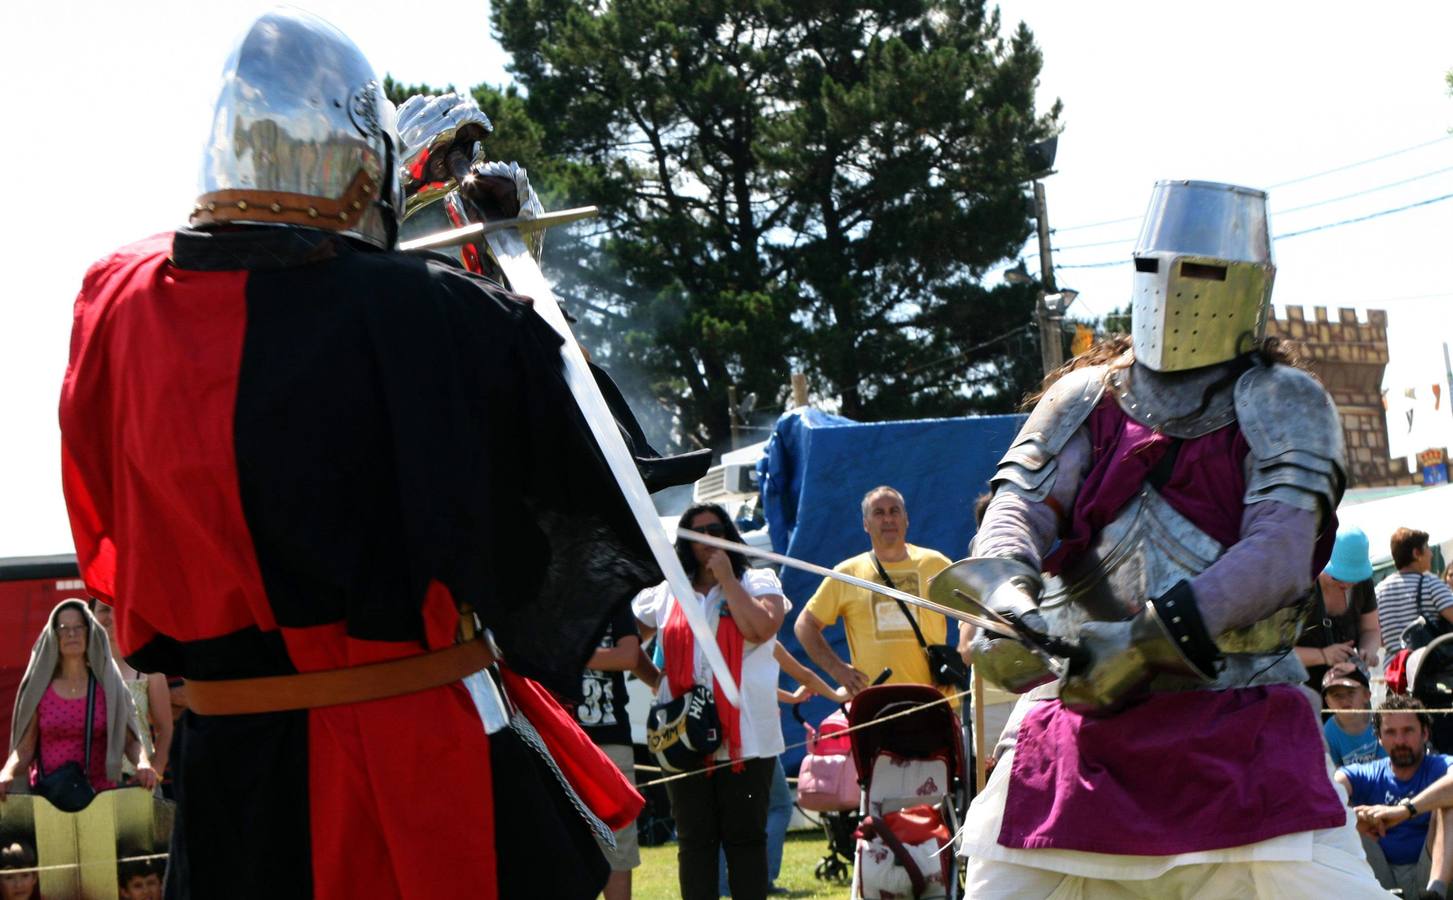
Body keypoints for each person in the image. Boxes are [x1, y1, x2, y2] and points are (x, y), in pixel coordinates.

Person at [57, 10, 666, 898]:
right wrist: (501, 277)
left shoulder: (115, 305)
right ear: (361, 157)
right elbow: (578, 484)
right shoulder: (434, 316)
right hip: (415, 761)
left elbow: (114, 513)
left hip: (234, 774)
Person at [946, 180, 1387, 895]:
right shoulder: (1083, 395)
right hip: (1080, 734)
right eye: (1160, 269)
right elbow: (1016, 507)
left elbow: (1278, 554)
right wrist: (1009, 593)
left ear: (1248, 287)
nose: (1179, 291)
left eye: (1204, 273)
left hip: (1243, 726)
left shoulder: (1285, 399)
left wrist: (1145, 639)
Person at [633, 503, 788, 900]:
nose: (706, 538)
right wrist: (656, 680)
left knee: (745, 838)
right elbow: (626, 640)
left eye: (714, 529)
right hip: (684, 734)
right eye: (696, 533)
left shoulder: (758, 580)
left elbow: (760, 628)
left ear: (728, 534)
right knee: (695, 841)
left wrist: (726, 580)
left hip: (748, 738)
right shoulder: (668, 591)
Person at [794, 486, 953, 695]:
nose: (888, 519)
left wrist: (960, 658)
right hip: (875, 704)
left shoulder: (936, 564)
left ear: (906, 519)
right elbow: (804, 625)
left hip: (935, 699)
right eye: (878, 513)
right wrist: (838, 670)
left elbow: (972, 613)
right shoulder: (846, 573)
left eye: (894, 511)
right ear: (866, 524)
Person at [1, 600, 156, 800]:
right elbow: (24, 749)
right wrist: (7, 773)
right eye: (64, 629)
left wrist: (143, 764)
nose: (71, 634)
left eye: (78, 627)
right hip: (48, 799)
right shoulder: (41, 690)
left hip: (100, 798)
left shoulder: (108, 686)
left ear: (89, 633)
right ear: (54, 636)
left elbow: (131, 741)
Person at [575, 605, 655, 900]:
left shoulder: (614, 597)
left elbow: (628, 656)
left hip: (611, 738)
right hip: (557, 736)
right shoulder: (546, 593)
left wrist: (573, 656)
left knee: (617, 836)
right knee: (565, 837)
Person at [1337, 696, 1453, 899]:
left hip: (1429, 872)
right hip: (1377, 874)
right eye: (1390, 732)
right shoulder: (1365, 773)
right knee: (1342, 811)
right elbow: (1329, 790)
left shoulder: (1441, 766)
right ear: (1379, 738)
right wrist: (1356, 816)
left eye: (1408, 730)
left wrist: (1405, 810)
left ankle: (1437, 894)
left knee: (1449, 804)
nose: (1400, 741)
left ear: (1425, 733)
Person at [91, 599, 172, 785]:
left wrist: (155, 773)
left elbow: (165, 729)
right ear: (91, 616)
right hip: (92, 783)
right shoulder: (80, 667)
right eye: (104, 609)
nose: (111, 617)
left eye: (118, 609)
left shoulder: (149, 666)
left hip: (139, 782)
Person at [1296, 524, 1379, 690]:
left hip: (1350, 690)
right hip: (1302, 692)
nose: (1346, 583)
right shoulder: (1298, 588)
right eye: (1337, 577)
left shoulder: (1364, 584)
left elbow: (1371, 630)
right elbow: (1274, 654)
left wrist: (1367, 652)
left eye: (1354, 577)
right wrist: (1323, 656)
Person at [1378, 528, 1453, 656]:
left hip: (1395, 669)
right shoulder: (1429, 583)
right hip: (1428, 667)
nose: (1431, 554)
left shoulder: (1379, 591)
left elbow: (1380, 639)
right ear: (1416, 553)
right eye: (1427, 548)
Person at [1324, 663, 1384, 767]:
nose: (1344, 700)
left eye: (1350, 693)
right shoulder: (1328, 733)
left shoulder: (1380, 722)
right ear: (1328, 702)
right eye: (1337, 695)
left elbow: (1387, 765)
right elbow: (1335, 774)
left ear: (1366, 695)